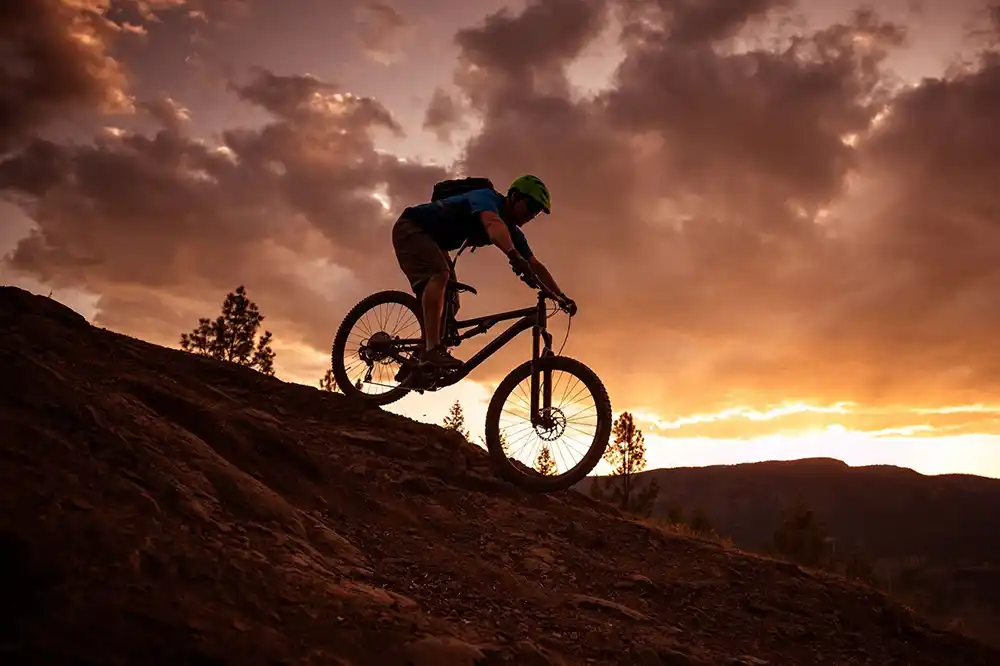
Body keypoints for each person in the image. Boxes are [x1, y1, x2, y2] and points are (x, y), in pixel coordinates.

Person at [391, 174, 577, 370]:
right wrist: (513, 255)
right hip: (411, 227)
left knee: (450, 305)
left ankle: (416, 364)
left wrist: (561, 297)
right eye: (531, 207)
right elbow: (492, 224)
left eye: (536, 213)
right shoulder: (487, 198)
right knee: (439, 274)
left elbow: (536, 264)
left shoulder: (513, 231)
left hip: (434, 242)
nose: (531, 215)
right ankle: (431, 351)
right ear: (514, 196)